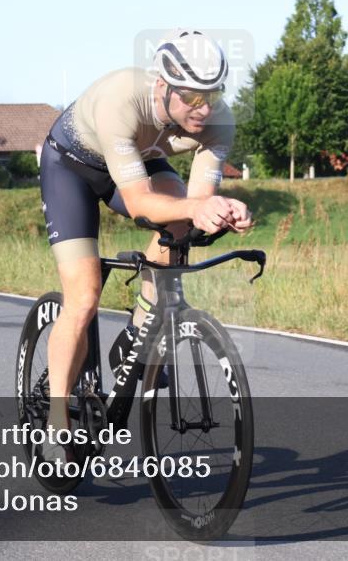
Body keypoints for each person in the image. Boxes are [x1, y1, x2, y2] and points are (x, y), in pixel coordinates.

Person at [38, 29, 253, 460]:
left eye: (212, 95)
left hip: (140, 159)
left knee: (180, 226)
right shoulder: (123, 99)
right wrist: (194, 208)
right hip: (73, 167)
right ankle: (56, 421)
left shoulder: (218, 119)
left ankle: (137, 332)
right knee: (84, 297)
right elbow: (138, 202)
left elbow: (196, 203)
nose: (204, 108)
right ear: (163, 85)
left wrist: (224, 209)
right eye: (192, 97)